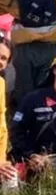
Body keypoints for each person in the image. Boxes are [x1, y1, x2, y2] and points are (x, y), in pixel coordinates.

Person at [0, 38, 17, 184]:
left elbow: (2, 127)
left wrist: (1, 160)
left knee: (11, 177)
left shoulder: (1, 83)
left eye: (3, 58)